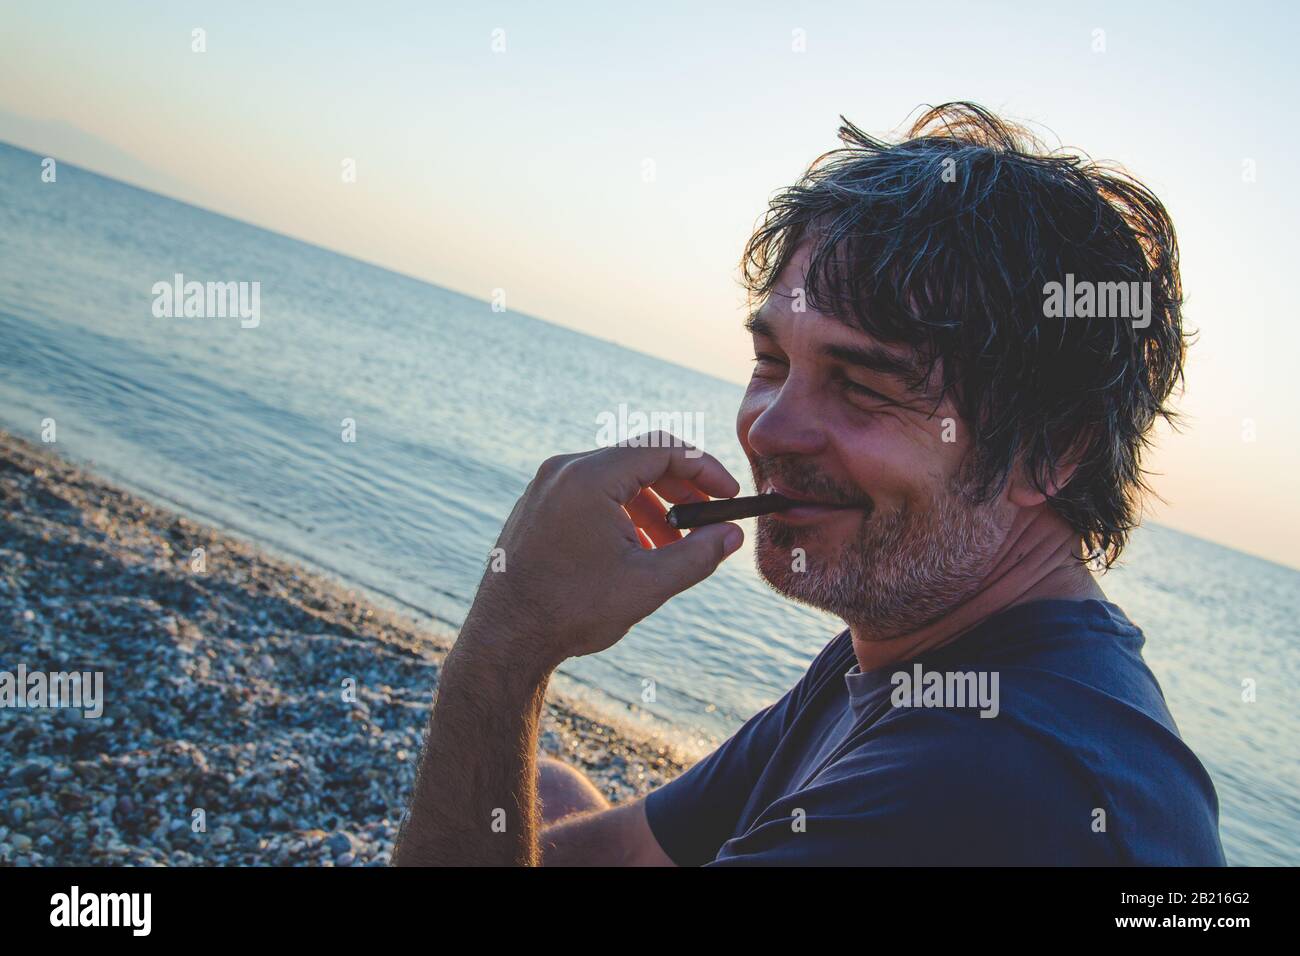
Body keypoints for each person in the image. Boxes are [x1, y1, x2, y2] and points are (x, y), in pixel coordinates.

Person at [392, 103, 1225, 866]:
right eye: (773, 362)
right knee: (545, 788)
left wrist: (505, 651)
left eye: (863, 384)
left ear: (1048, 452)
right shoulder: (914, 649)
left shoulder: (992, 781)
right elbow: (623, 855)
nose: (772, 430)